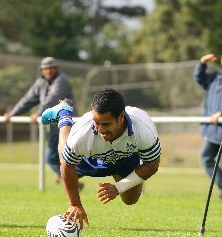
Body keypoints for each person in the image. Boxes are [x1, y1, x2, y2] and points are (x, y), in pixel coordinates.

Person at [41, 88, 161, 228]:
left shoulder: (143, 128)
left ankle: (117, 174)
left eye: (106, 124)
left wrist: (118, 187)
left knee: (130, 200)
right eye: (97, 123)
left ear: (121, 117)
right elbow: (67, 165)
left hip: (126, 159)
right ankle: (64, 114)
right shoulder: (82, 132)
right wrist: (75, 204)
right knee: (65, 153)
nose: (100, 129)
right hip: (91, 157)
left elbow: (152, 164)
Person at [4, 57, 78, 185]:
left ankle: (72, 179)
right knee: (58, 157)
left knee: (51, 158)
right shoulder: (41, 82)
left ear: (56, 69)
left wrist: (38, 113)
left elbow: (52, 99)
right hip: (54, 127)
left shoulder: (62, 81)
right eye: (45, 69)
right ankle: (68, 177)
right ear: (42, 71)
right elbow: (28, 99)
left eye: (51, 68)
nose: (48, 71)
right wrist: (12, 113)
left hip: (66, 124)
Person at [193, 49, 222, 200]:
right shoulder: (214, 78)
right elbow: (198, 77)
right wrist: (201, 64)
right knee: (205, 158)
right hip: (212, 130)